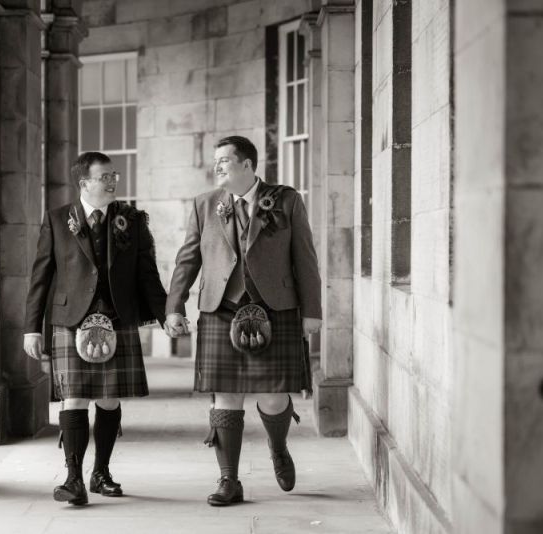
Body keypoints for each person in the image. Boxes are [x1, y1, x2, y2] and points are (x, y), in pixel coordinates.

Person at [164, 135, 322, 506]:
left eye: (224, 160)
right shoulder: (205, 204)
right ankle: (228, 480)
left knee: (271, 395)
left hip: (275, 307)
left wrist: (311, 311)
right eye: (216, 161)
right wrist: (174, 306)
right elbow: (188, 259)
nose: (217, 166)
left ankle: (278, 447)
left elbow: (305, 258)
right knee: (226, 395)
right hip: (220, 308)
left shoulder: (285, 200)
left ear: (248, 165)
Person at [24, 151, 167, 506]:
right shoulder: (58, 220)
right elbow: (41, 276)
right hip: (70, 319)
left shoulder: (130, 220)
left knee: (108, 398)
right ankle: (73, 479)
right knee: (73, 397)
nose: (112, 181)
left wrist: (168, 314)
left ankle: (100, 472)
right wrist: (32, 327)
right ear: (84, 182)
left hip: (116, 317)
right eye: (104, 176)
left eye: (113, 175)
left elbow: (147, 271)